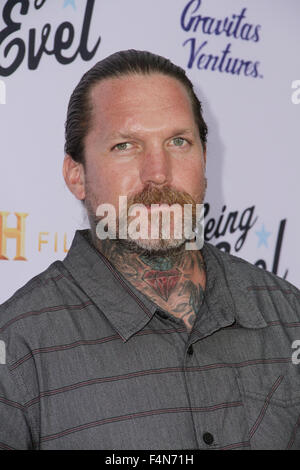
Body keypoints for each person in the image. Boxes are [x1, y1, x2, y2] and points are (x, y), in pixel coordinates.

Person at [0, 50, 300, 451]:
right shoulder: (18, 348)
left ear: (204, 160)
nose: (158, 171)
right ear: (77, 176)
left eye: (178, 141)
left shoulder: (288, 314)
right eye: (126, 145)